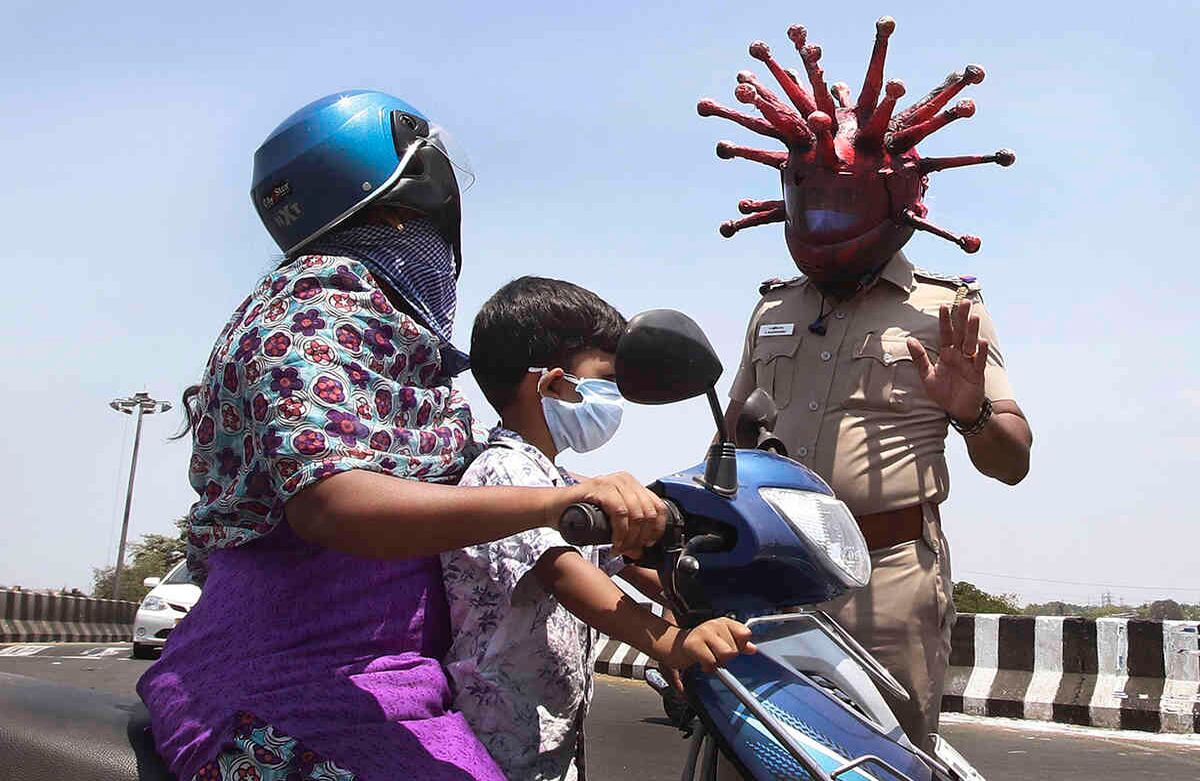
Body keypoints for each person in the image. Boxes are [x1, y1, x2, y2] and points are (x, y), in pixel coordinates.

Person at [137, 90, 667, 781]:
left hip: (393, 695)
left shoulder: (386, 340)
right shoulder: (311, 310)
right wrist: (551, 505)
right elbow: (335, 503)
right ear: (405, 203)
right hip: (276, 696)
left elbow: (483, 492)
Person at [699, 19, 1034, 750]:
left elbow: (1013, 460)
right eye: (809, 205)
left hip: (888, 581)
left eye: (841, 207)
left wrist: (971, 412)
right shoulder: (773, 306)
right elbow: (731, 434)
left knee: (886, 757)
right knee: (752, 753)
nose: (821, 225)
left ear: (895, 202)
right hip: (769, 570)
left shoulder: (948, 308)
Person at [442, 276, 756, 780]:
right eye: (605, 379)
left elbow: (629, 563)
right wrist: (665, 642)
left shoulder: (559, 482)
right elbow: (565, 574)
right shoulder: (505, 475)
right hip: (495, 742)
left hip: (549, 734)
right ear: (551, 384)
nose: (616, 398)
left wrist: (698, 609)